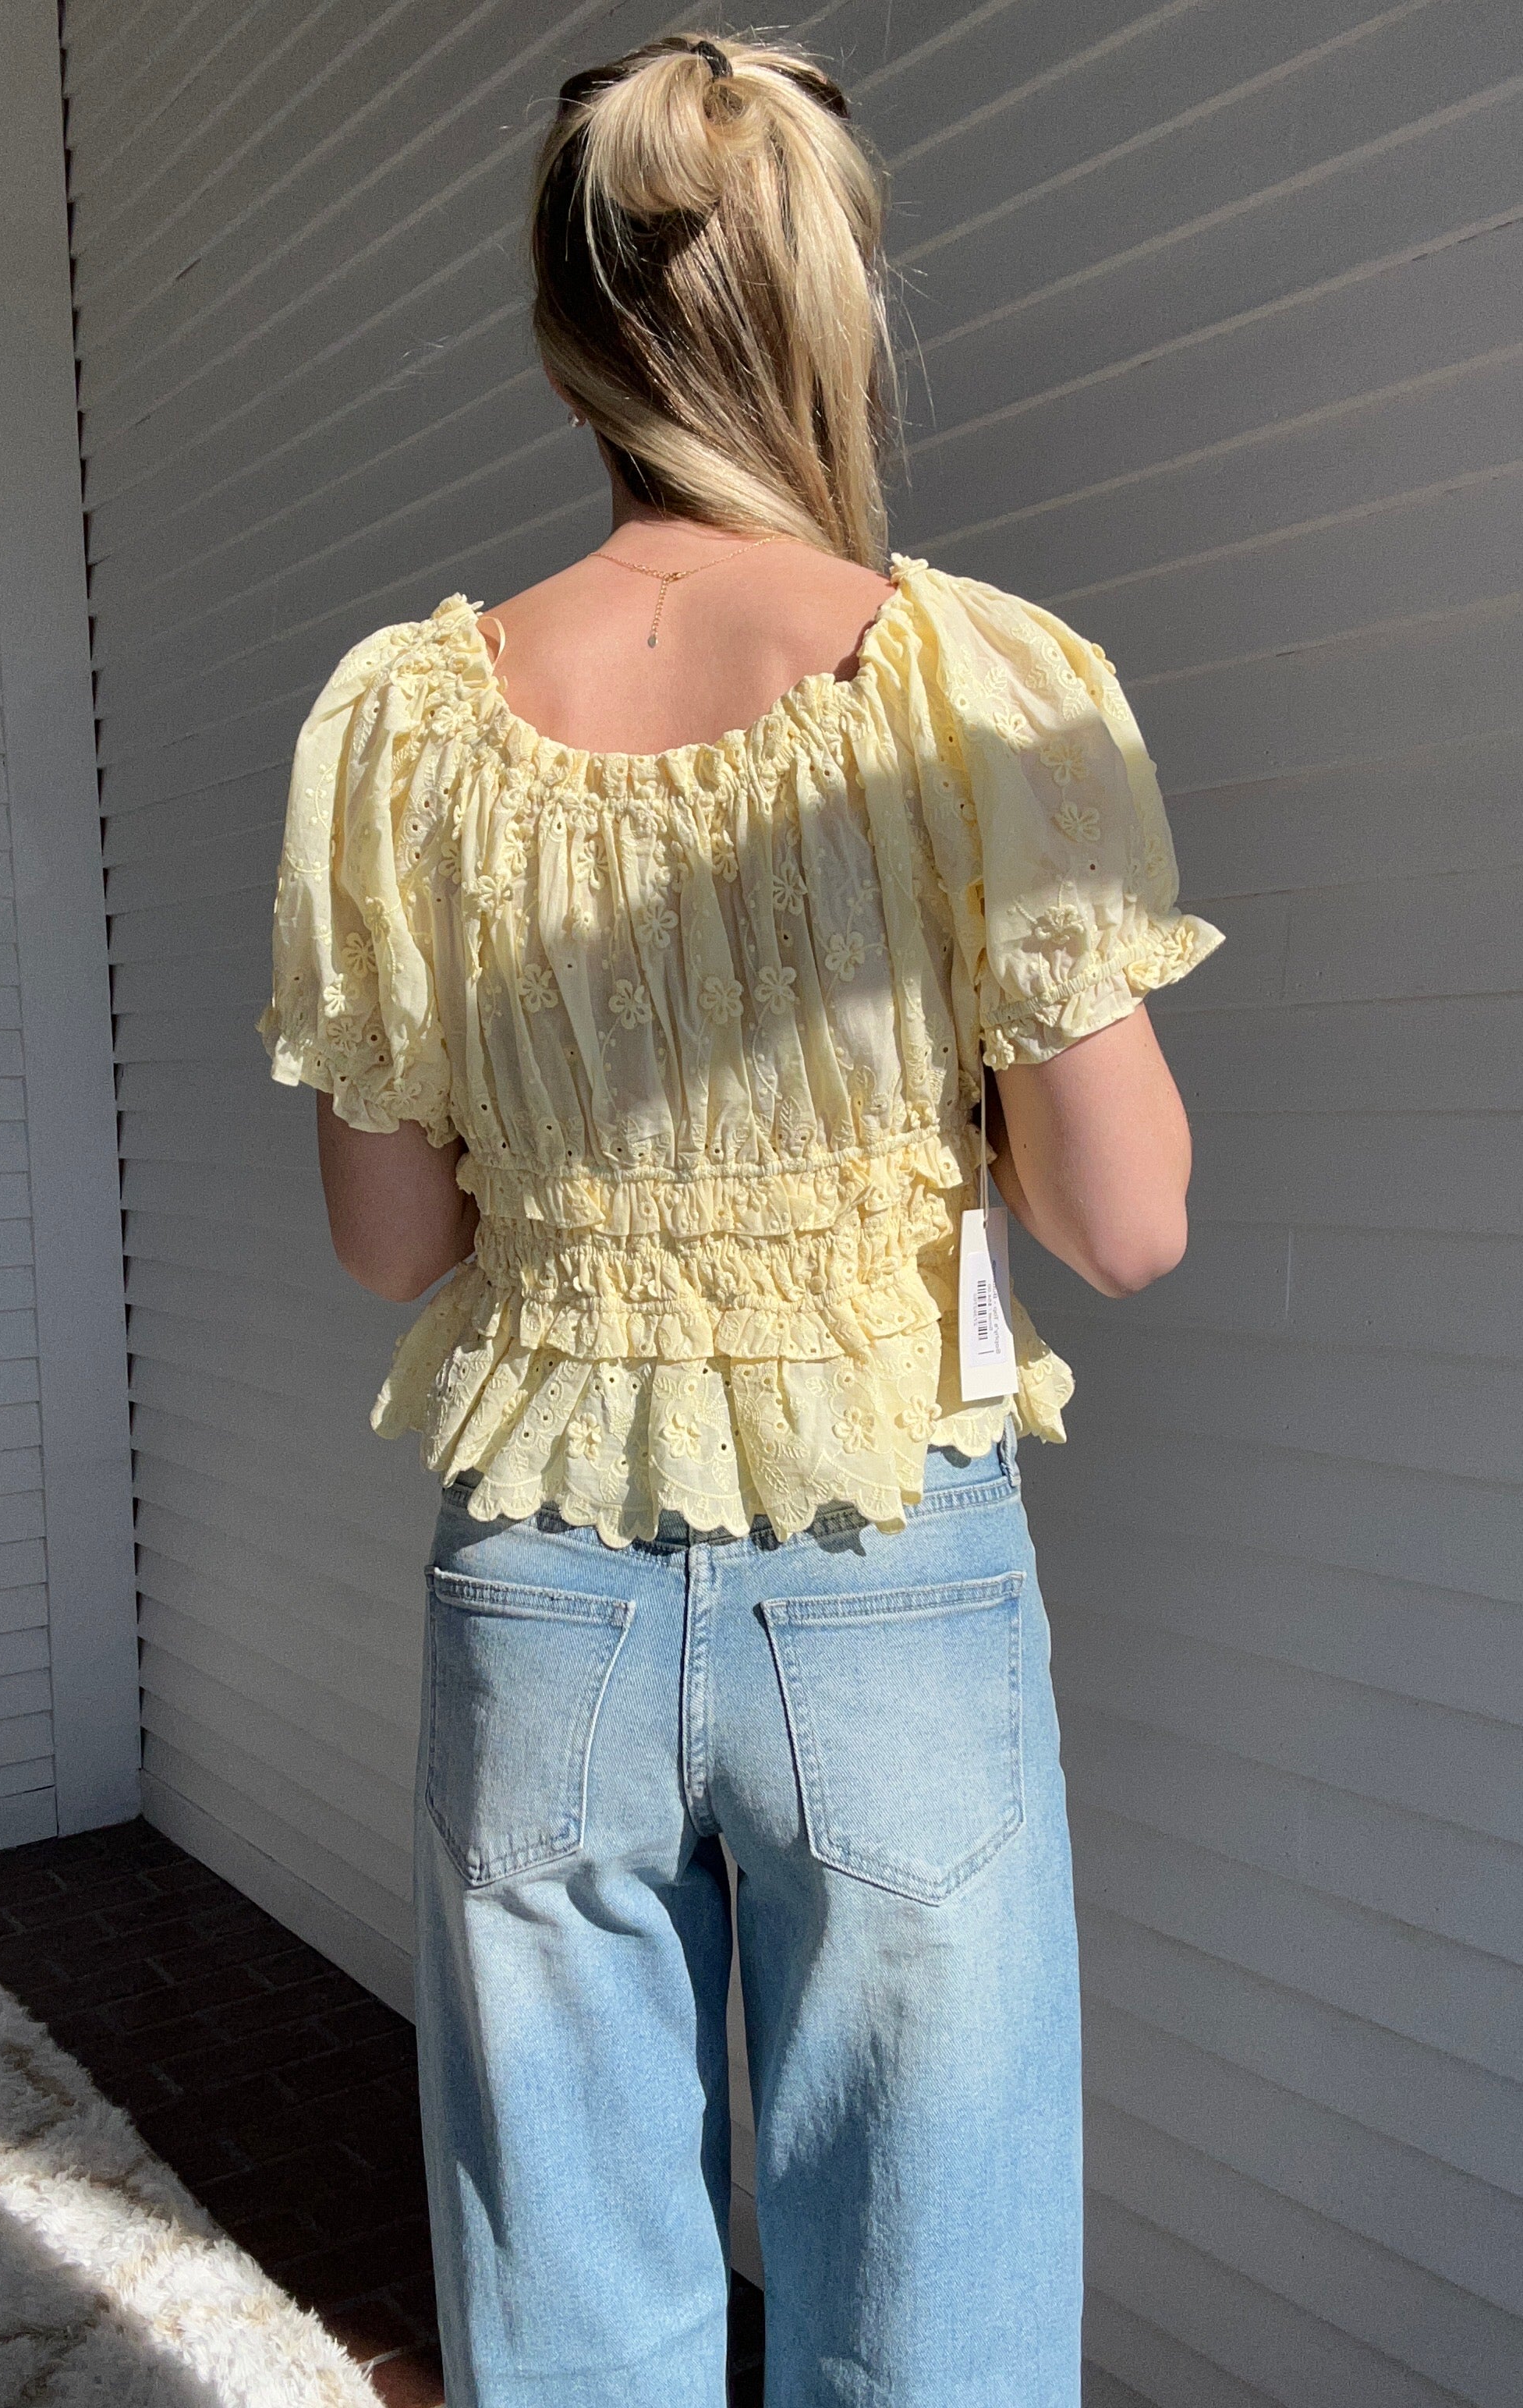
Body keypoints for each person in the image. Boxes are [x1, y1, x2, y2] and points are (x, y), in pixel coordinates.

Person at [258, 30, 1225, 2408]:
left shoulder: (406, 726)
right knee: (930, 2322)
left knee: (563, 2321)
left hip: (541, 1583)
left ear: (563, 327)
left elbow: (390, 1245)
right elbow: (1124, 1224)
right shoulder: (968, 686)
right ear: (830, 306)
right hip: (886, 1555)